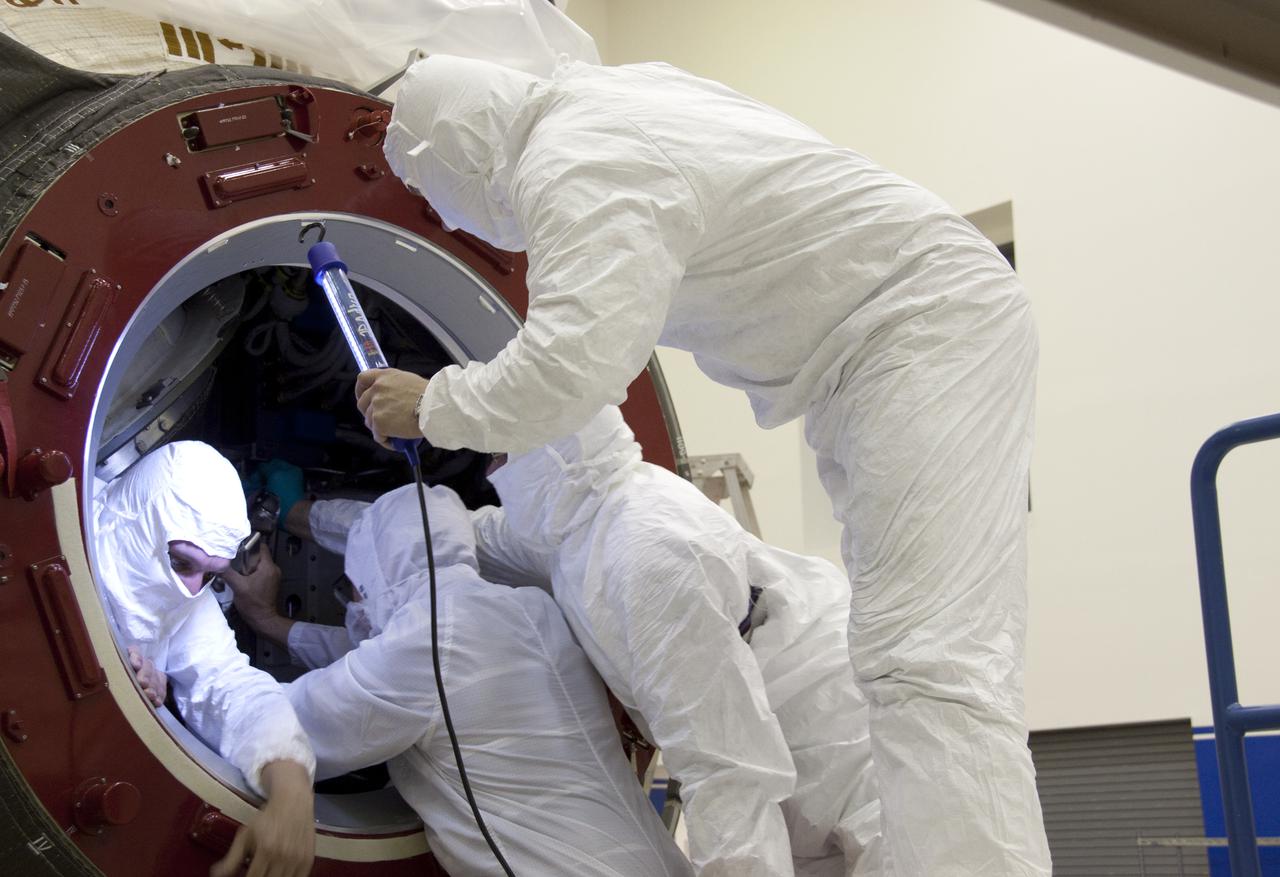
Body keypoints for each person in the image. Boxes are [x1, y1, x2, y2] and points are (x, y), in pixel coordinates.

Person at [353, 54, 1049, 875]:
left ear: (457, 156)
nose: (446, 215)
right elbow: (479, 528)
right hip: (872, 354)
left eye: (432, 191)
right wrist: (323, 519)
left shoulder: (576, 157)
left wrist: (433, 405)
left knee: (927, 662)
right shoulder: (611, 98)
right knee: (916, 664)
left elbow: (568, 367)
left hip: (914, 332)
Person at [469, 405, 879, 877]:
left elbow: (726, 774)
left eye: (496, 454)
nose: (490, 472)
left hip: (841, 753)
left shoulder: (644, 550)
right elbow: (486, 538)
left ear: (544, 450)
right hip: (794, 751)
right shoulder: (583, 517)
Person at [225, 481, 694, 877]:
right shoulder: (529, 608)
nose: (352, 601)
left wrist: (201, 643)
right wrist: (270, 622)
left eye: (351, 587)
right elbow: (388, 664)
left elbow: (288, 719)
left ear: (374, 576)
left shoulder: (424, 646)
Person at [93, 440, 315, 877]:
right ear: (143, 526)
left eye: (211, 574)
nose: (194, 589)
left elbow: (227, 683)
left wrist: (290, 781)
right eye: (181, 563)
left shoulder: (186, 605)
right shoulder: (59, 536)